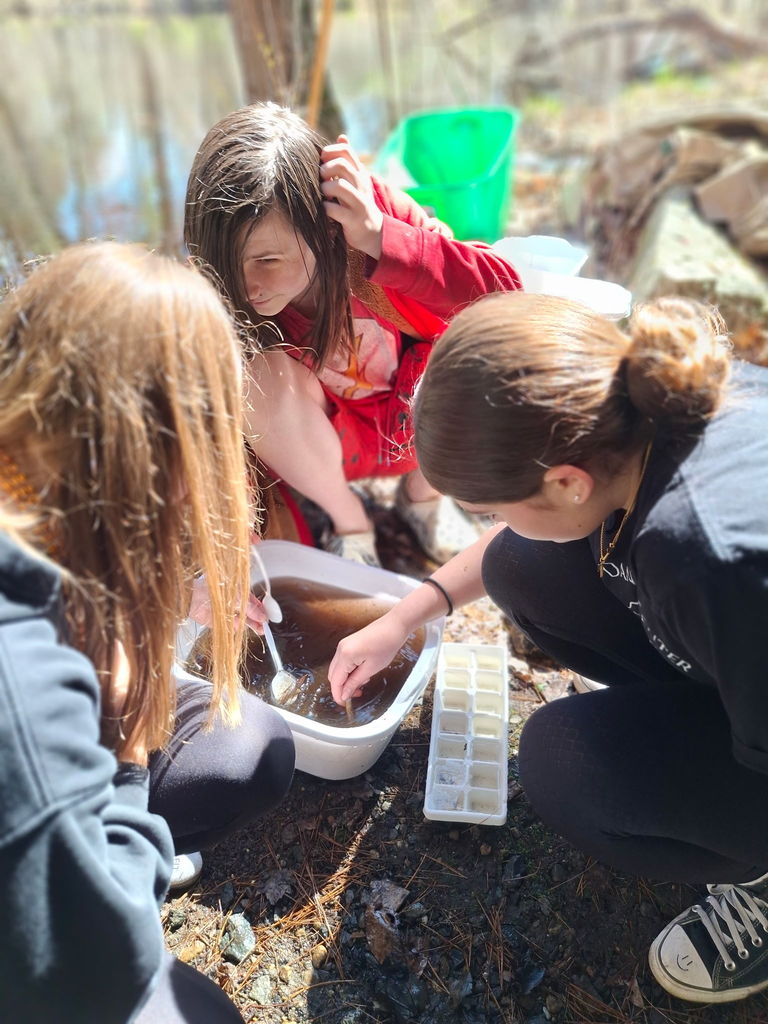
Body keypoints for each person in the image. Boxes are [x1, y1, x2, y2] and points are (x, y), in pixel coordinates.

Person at [328, 290, 768, 1006]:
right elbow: (516, 546)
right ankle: (686, 720)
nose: (494, 523)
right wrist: (404, 615)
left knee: (565, 765)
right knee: (521, 565)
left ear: (568, 481)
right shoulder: (655, 405)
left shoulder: (703, 557)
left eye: (497, 507)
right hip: (741, 650)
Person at [0, 242, 294, 1023]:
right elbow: (103, 971)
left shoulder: (25, 479)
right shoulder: (21, 694)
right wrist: (126, 752)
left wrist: (173, 603)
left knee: (249, 744)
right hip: (55, 957)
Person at [183, 101, 521, 566]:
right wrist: (238, 524)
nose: (245, 285)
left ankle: (423, 497)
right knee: (252, 378)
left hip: (418, 423)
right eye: (226, 263)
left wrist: (382, 236)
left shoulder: (371, 215)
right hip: (326, 447)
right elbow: (206, 416)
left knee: (483, 343)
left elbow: (504, 294)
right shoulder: (213, 288)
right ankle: (349, 523)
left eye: (267, 260)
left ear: (323, 225)